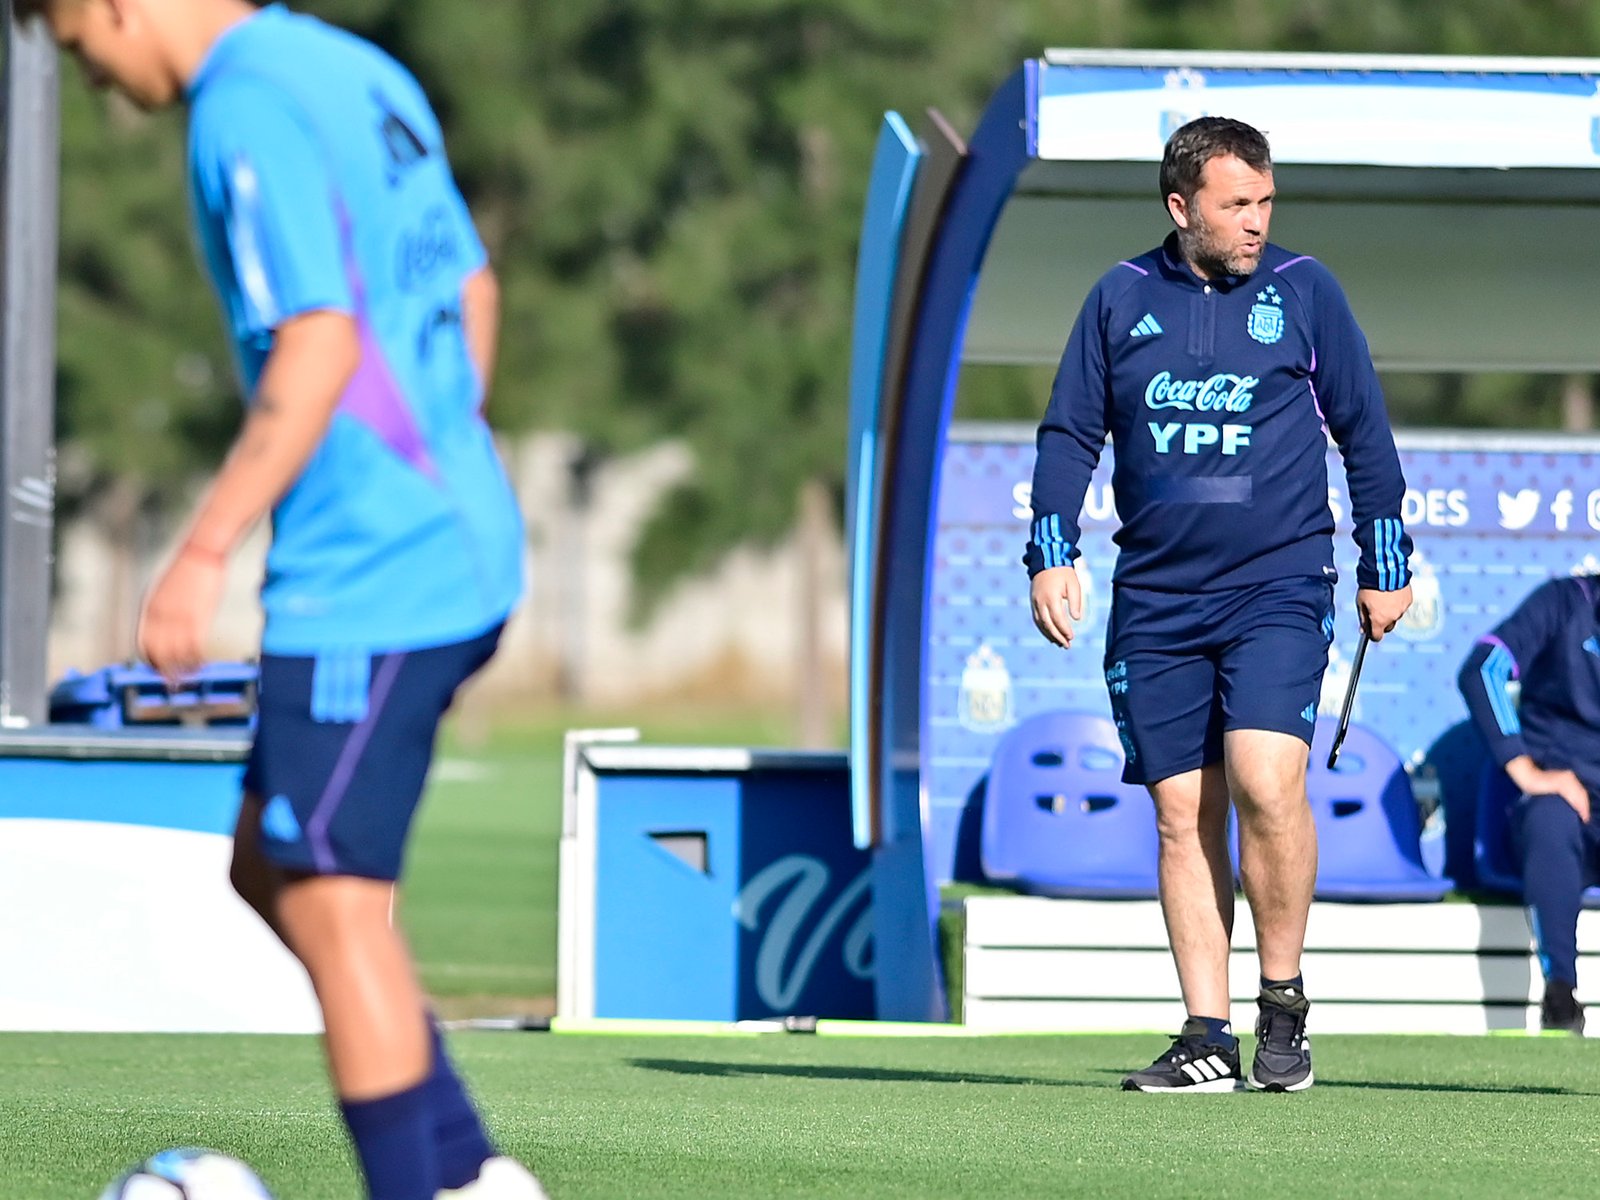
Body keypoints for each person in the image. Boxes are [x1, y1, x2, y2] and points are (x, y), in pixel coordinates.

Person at [23, 1, 544, 1195]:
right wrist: (445, 462)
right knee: (272, 863)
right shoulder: (352, 67)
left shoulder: (240, 105)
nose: (93, 70)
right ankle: (470, 1173)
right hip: (445, 540)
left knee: (329, 892)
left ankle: (433, 1182)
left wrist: (202, 549)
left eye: (74, 39)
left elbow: (316, 340)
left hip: (371, 576)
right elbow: (472, 288)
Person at [1025, 116, 1414, 1093]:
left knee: (1265, 779)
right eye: (1235, 203)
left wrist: (1385, 554)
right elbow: (1070, 432)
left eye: (1264, 202)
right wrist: (1051, 549)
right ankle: (1207, 1032)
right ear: (1179, 206)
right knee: (1177, 811)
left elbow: (1363, 432)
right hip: (1155, 596)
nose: (1253, 221)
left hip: (1278, 583)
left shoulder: (1304, 291)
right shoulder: (1118, 297)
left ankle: (1281, 1005)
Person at [1458, 573, 1600, 1034]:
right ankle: (1560, 995)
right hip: (1566, 801)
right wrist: (1526, 770)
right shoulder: (1565, 602)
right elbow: (1483, 669)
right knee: (1551, 820)